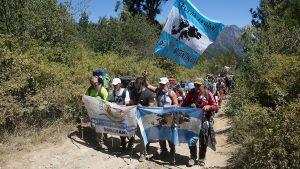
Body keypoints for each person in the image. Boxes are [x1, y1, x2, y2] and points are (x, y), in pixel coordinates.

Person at [181, 78, 218, 167]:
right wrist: (175, 107)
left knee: (203, 140)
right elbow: (183, 104)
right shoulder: (190, 93)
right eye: (195, 85)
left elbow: (215, 106)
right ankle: (192, 157)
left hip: (204, 119)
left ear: (202, 85)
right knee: (191, 139)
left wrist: (209, 106)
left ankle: (201, 158)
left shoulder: (207, 93)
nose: (197, 87)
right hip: (192, 120)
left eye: (199, 85)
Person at [144, 74, 178, 165]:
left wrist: (168, 106)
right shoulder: (158, 91)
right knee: (161, 136)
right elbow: (147, 85)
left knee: (170, 137)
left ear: (167, 84)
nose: (162, 86)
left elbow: (176, 105)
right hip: (159, 118)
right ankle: (164, 152)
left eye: (163, 84)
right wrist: (145, 77)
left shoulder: (171, 93)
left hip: (169, 118)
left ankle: (172, 155)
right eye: (160, 84)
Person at [128, 77, 155, 162]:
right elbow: (131, 102)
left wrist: (143, 107)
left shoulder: (149, 93)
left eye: (138, 84)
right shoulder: (133, 92)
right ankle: (130, 146)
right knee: (133, 132)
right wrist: (130, 103)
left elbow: (151, 107)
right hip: (134, 116)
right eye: (136, 84)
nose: (136, 86)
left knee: (143, 135)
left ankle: (143, 153)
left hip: (145, 118)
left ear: (142, 84)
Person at [85, 76, 109, 150]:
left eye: (96, 83)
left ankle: (102, 140)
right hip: (93, 113)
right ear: (90, 83)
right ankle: (100, 142)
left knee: (101, 127)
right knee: (96, 127)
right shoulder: (89, 90)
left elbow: (108, 102)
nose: (94, 85)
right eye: (92, 83)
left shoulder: (103, 90)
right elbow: (86, 98)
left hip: (102, 113)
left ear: (98, 82)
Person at [110, 78, 131, 152]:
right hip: (117, 114)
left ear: (120, 84)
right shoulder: (113, 92)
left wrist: (121, 108)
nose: (115, 86)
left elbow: (127, 103)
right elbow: (112, 101)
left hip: (124, 114)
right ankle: (123, 145)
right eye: (114, 85)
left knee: (126, 130)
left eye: (116, 85)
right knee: (120, 130)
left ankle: (130, 142)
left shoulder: (125, 91)